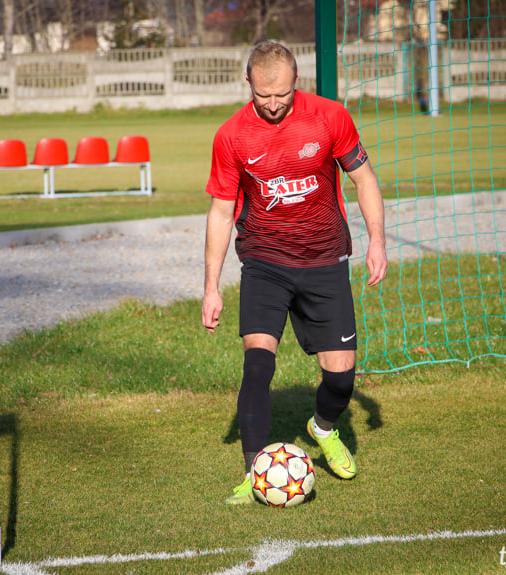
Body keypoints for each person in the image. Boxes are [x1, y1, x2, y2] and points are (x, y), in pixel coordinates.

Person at [201, 41, 388, 505]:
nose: (272, 104)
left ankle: (322, 428)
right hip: (264, 263)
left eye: (281, 94)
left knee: (341, 380)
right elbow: (222, 213)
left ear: (296, 81)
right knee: (258, 364)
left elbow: (363, 179)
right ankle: (253, 473)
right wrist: (210, 286)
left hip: (325, 261)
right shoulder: (231, 136)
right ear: (249, 83)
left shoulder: (329, 117)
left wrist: (377, 242)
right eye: (263, 95)